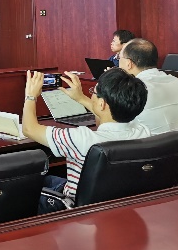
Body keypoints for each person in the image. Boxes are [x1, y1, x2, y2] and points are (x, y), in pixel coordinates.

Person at [21, 68, 149, 214]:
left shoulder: (82, 139)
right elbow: (108, 114)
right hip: (116, 204)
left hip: (73, 207)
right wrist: (81, 98)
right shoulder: (144, 132)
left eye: (94, 92)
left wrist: (30, 96)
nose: (92, 95)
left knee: (25, 187)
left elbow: (29, 129)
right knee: (48, 179)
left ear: (102, 104)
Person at [119, 38, 178, 134]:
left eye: (119, 58)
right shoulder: (175, 80)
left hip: (152, 143)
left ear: (129, 63)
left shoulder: (133, 89)